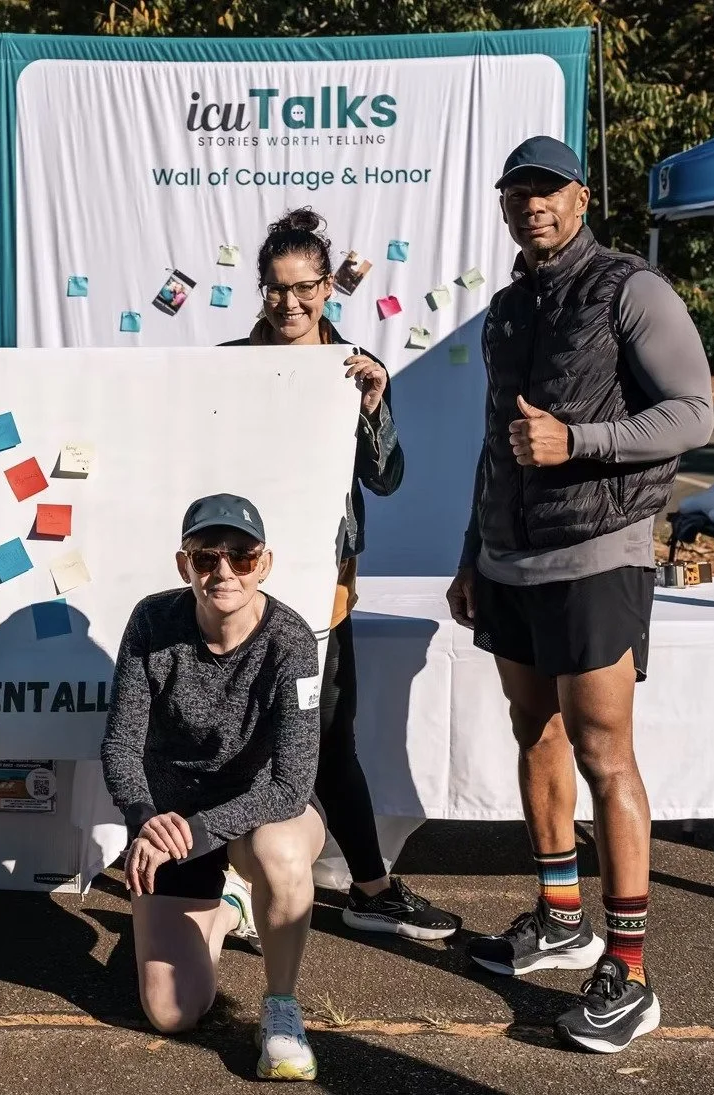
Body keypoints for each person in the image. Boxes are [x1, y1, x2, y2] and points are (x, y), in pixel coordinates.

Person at [448, 136, 713, 1052]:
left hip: (599, 551)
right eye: (516, 192)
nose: (533, 206)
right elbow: (498, 442)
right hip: (510, 558)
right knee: (535, 732)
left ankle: (631, 973)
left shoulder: (631, 288)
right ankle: (561, 918)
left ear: (580, 195)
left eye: (548, 191)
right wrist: (471, 550)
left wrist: (581, 441)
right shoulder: (508, 307)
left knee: (606, 755)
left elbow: (692, 412)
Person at [224, 209, 459, 940]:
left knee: (327, 734)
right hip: (239, 589)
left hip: (325, 592)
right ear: (261, 290)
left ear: (328, 287)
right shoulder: (230, 362)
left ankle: (369, 886)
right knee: (235, 731)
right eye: (274, 289)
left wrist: (374, 404)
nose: (289, 303)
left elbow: (386, 478)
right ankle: (228, 886)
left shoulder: (351, 365)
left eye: (304, 288)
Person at [101, 495, 325, 1082]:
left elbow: (291, 785)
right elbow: (121, 746)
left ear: (265, 564)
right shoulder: (153, 621)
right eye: (206, 557)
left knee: (279, 850)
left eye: (242, 557)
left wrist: (196, 834)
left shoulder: (293, 641)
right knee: (172, 1013)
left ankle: (280, 1009)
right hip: (173, 822)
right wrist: (145, 817)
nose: (223, 572)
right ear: (184, 566)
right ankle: (229, 909)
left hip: (262, 813)